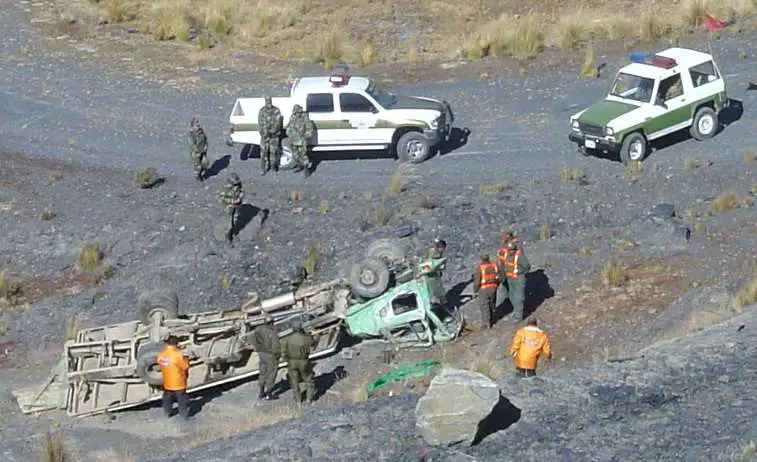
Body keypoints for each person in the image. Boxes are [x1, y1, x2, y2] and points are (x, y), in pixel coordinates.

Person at [280, 320, 316, 406]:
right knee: (308, 379)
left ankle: (298, 400)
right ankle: (309, 399)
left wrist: (286, 360)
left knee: (294, 381)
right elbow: (313, 344)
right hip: (304, 361)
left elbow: (283, 352)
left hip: (292, 362)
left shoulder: (287, 339)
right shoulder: (306, 337)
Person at [497, 232, 531, 323]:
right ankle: (516, 311)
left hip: (518, 278)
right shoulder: (506, 253)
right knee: (511, 295)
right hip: (509, 278)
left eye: (512, 250)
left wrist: (519, 272)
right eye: (509, 250)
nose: (510, 251)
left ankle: (519, 317)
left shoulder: (519, 255)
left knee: (518, 297)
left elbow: (527, 266)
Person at [157, 335, 190, 420]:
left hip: (167, 381)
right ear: (176, 343)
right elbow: (185, 366)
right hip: (178, 382)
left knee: (167, 398)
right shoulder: (178, 354)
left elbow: (160, 363)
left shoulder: (162, 353)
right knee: (182, 399)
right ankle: (184, 415)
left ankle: (167, 412)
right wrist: (186, 358)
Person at [252, 314, 281, 400]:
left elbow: (252, 339)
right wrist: (278, 355)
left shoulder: (258, 329)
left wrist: (257, 348)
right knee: (271, 372)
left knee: (263, 372)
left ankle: (261, 392)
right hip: (270, 354)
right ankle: (269, 393)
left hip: (261, 353)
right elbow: (276, 346)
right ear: (272, 322)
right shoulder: (272, 332)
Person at [472, 254, 500, 329]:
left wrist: (475, 290)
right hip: (493, 287)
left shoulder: (480, 268)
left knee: (484, 306)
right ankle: (493, 319)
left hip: (484, 289)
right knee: (492, 303)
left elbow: (477, 281)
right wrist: (497, 284)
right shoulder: (494, 265)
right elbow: (500, 275)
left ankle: (486, 323)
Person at [286, 104, 313, 176]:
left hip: (301, 139)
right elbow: (289, 125)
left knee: (303, 154)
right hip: (293, 139)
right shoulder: (293, 117)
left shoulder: (304, 117)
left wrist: (307, 133)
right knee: (295, 155)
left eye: (299, 112)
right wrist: (288, 131)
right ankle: (300, 166)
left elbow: (309, 127)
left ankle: (306, 169)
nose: (298, 114)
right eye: (296, 112)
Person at [258, 96, 283, 176]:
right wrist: (264, 133)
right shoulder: (262, 111)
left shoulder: (276, 110)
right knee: (263, 153)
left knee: (273, 152)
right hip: (265, 136)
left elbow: (278, 123)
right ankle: (263, 168)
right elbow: (260, 123)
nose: (268, 103)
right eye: (267, 102)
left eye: (269, 102)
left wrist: (273, 131)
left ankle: (273, 167)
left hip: (274, 137)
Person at [219, 173, 244, 245]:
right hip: (229, 208)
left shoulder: (239, 185)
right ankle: (228, 238)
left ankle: (233, 232)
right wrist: (231, 201)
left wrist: (240, 198)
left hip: (237, 206)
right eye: (235, 183)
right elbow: (221, 198)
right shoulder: (226, 188)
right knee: (229, 224)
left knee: (235, 221)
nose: (237, 185)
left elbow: (242, 191)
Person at [188, 118, 209, 182]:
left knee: (205, 163)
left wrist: (206, 146)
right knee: (198, 166)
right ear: (193, 126)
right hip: (196, 153)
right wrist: (197, 151)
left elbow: (205, 139)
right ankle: (198, 177)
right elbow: (192, 144)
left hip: (203, 151)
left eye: (198, 125)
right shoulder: (191, 134)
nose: (198, 127)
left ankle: (202, 173)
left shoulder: (201, 131)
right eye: (197, 125)